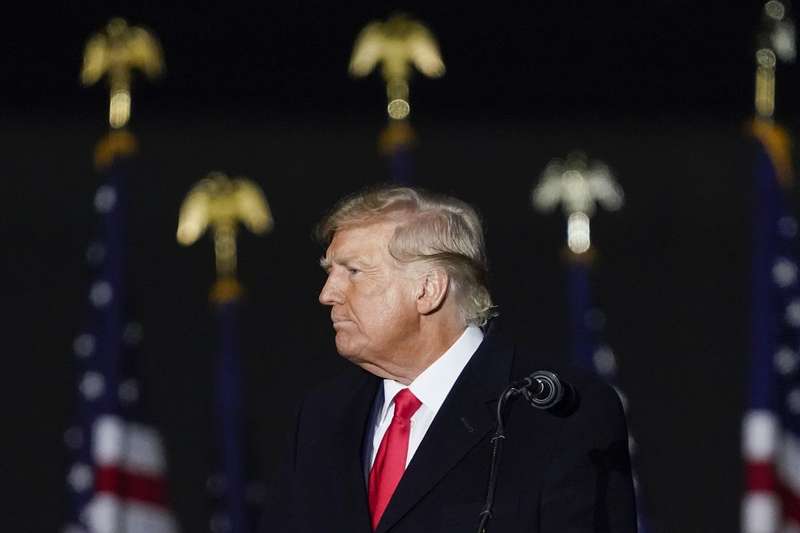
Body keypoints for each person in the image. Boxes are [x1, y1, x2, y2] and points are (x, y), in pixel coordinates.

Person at [262, 184, 637, 533]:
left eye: (353, 271)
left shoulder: (557, 412)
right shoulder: (321, 416)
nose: (328, 294)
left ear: (428, 289)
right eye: (330, 273)